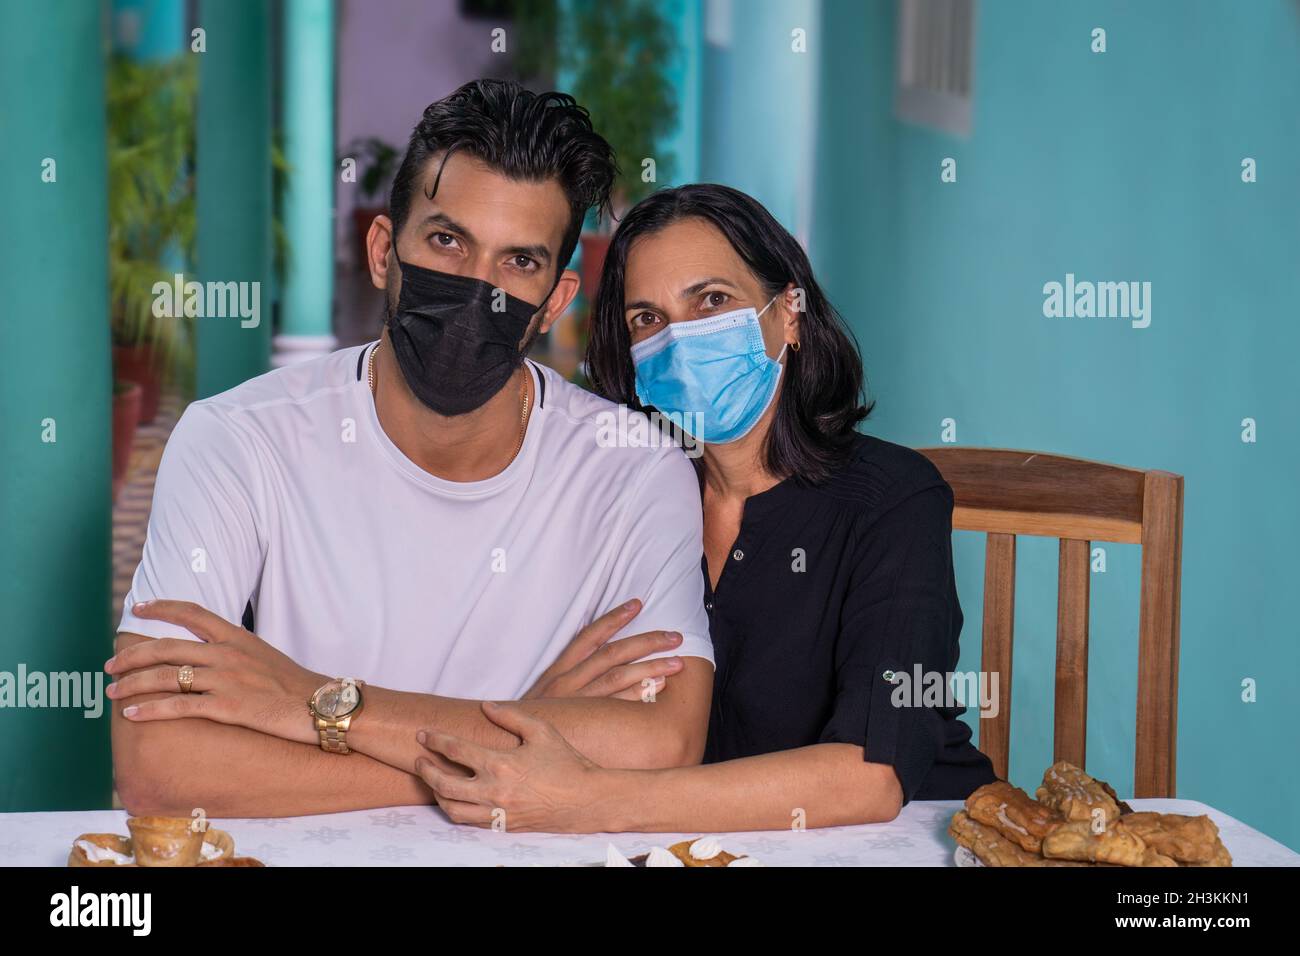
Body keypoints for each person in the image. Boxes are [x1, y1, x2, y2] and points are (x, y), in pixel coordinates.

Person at [107, 81, 715, 818]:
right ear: (382, 251)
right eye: (447, 241)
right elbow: (157, 766)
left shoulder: (635, 469)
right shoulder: (236, 441)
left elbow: (665, 742)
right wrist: (505, 754)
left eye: (518, 263)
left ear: (556, 302)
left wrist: (314, 706)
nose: (475, 290)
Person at [414, 184, 999, 832]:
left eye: (712, 301)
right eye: (648, 319)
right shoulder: (628, 496)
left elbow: (872, 775)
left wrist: (593, 802)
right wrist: (545, 711)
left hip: (909, 841)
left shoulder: (893, 498)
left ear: (790, 314)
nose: (680, 340)